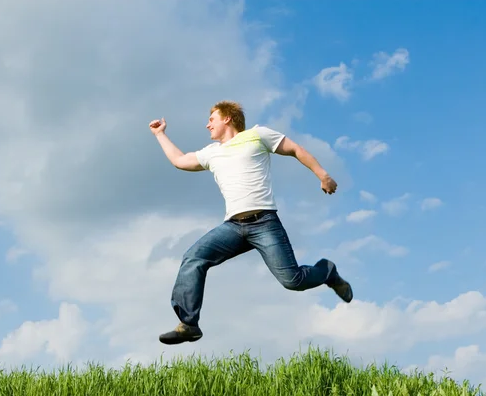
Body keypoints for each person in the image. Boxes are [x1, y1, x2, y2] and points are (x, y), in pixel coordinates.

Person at [149, 101, 353, 345]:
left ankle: (327, 271)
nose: (207, 125)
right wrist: (160, 134)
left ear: (227, 118)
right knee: (193, 258)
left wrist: (323, 175)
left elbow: (296, 150)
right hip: (233, 227)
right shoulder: (211, 153)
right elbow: (180, 161)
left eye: (211, 119)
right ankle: (189, 324)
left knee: (292, 280)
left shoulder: (258, 135)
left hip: (265, 223)